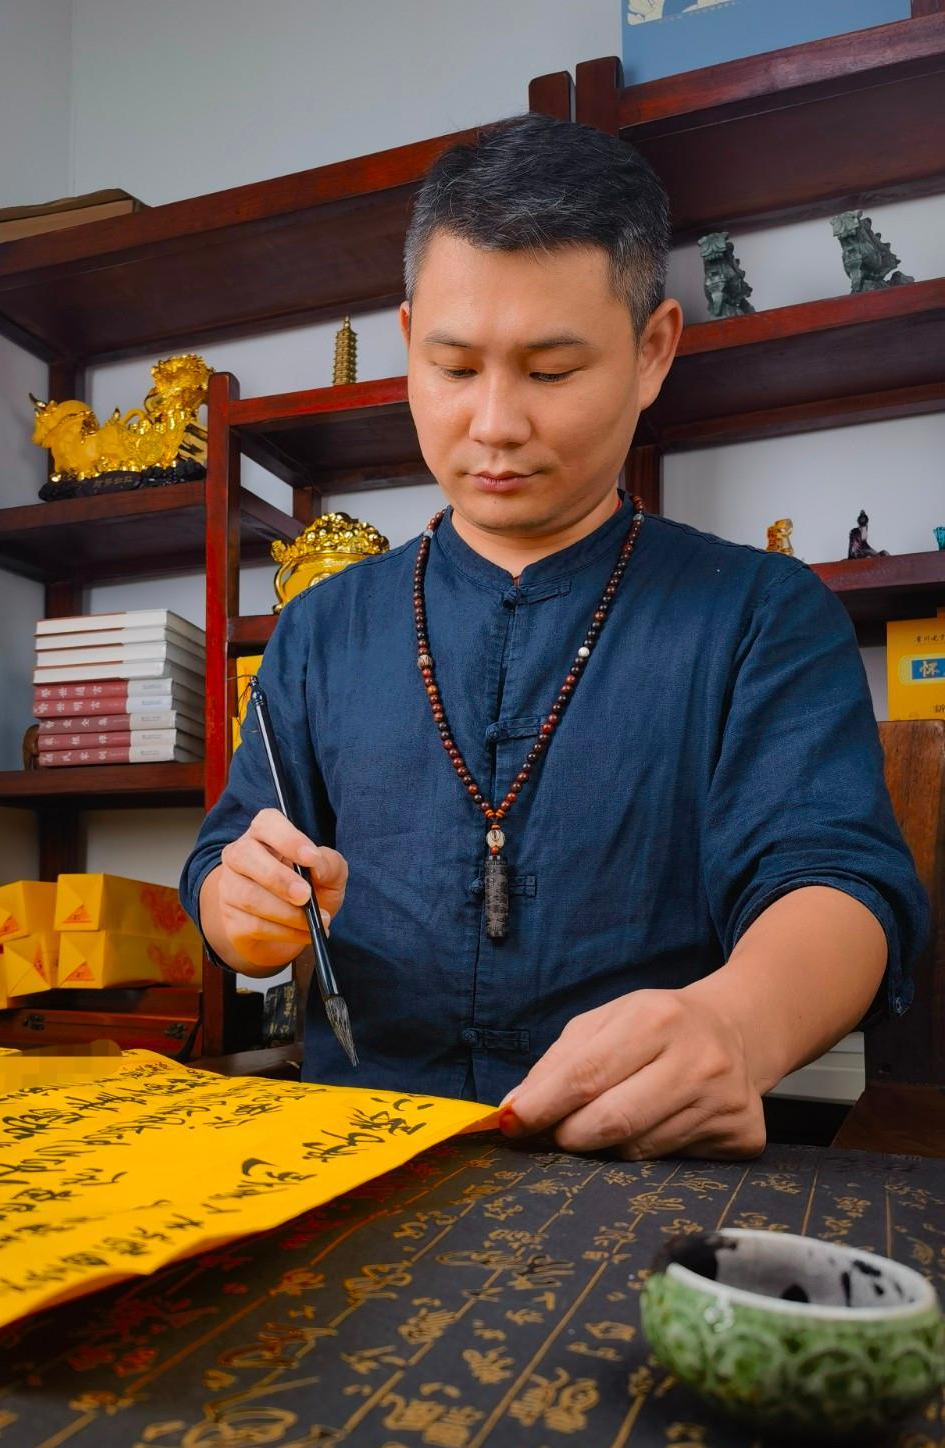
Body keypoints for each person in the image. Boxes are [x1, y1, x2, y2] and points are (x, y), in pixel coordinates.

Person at [178, 113, 929, 1159]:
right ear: (407, 340)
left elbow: (839, 881)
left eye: (551, 371)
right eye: (453, 367)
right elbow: (227, 855)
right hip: (354, 1161)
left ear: (653, 351)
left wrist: (735, 1025)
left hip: (635, 1168)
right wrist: (240, 908)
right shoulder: (318, 630)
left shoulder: (763, 612)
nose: (495, 423)